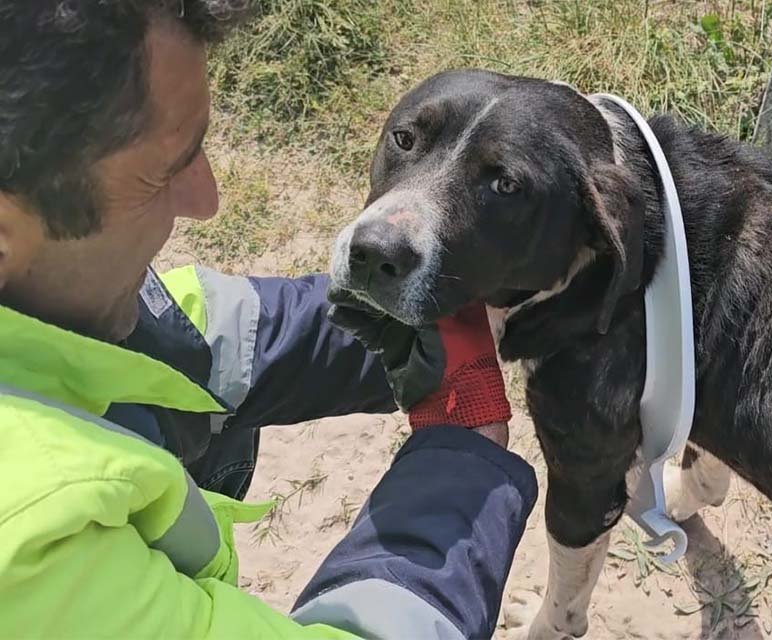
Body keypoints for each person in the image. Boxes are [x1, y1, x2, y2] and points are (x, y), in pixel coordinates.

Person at [0, 2, 535, 638]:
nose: (208, 200)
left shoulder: (43, 300)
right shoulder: (30, 541)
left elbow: (189, 338)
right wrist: (462, 459)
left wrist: (383, 327)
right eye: (169, 170)